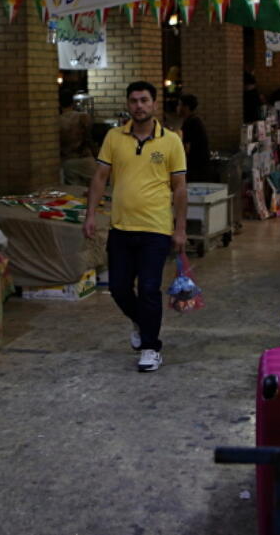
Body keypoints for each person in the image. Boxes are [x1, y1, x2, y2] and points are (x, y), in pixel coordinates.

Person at [83, 81, 187, 373]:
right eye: (133, 101)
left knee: (150, 288)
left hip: (156, 228)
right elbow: (100, 178)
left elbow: (179, 188)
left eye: (144, 100)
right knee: (117, 287)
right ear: (128, 105)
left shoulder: (171, 141)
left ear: (154, 104)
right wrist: (90, 214)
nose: (138, 106)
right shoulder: (114, 137)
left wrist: (180, 229)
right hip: (121, 228)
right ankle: (143, 322)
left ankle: (151, 347)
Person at [59, 89, 96, 186]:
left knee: (75, 194)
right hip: (86, 159)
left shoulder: (58, 121)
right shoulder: (83, 117)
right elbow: (90, 138)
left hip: (68, 161)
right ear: (73, 103)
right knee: (94, 191)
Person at [177, 94, 212, 183]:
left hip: (196, 169)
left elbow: (187, 148)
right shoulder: (194, 120)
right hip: (201, 167)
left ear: (186, 107)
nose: (177, 108)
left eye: (180, 105)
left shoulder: (191, 123)